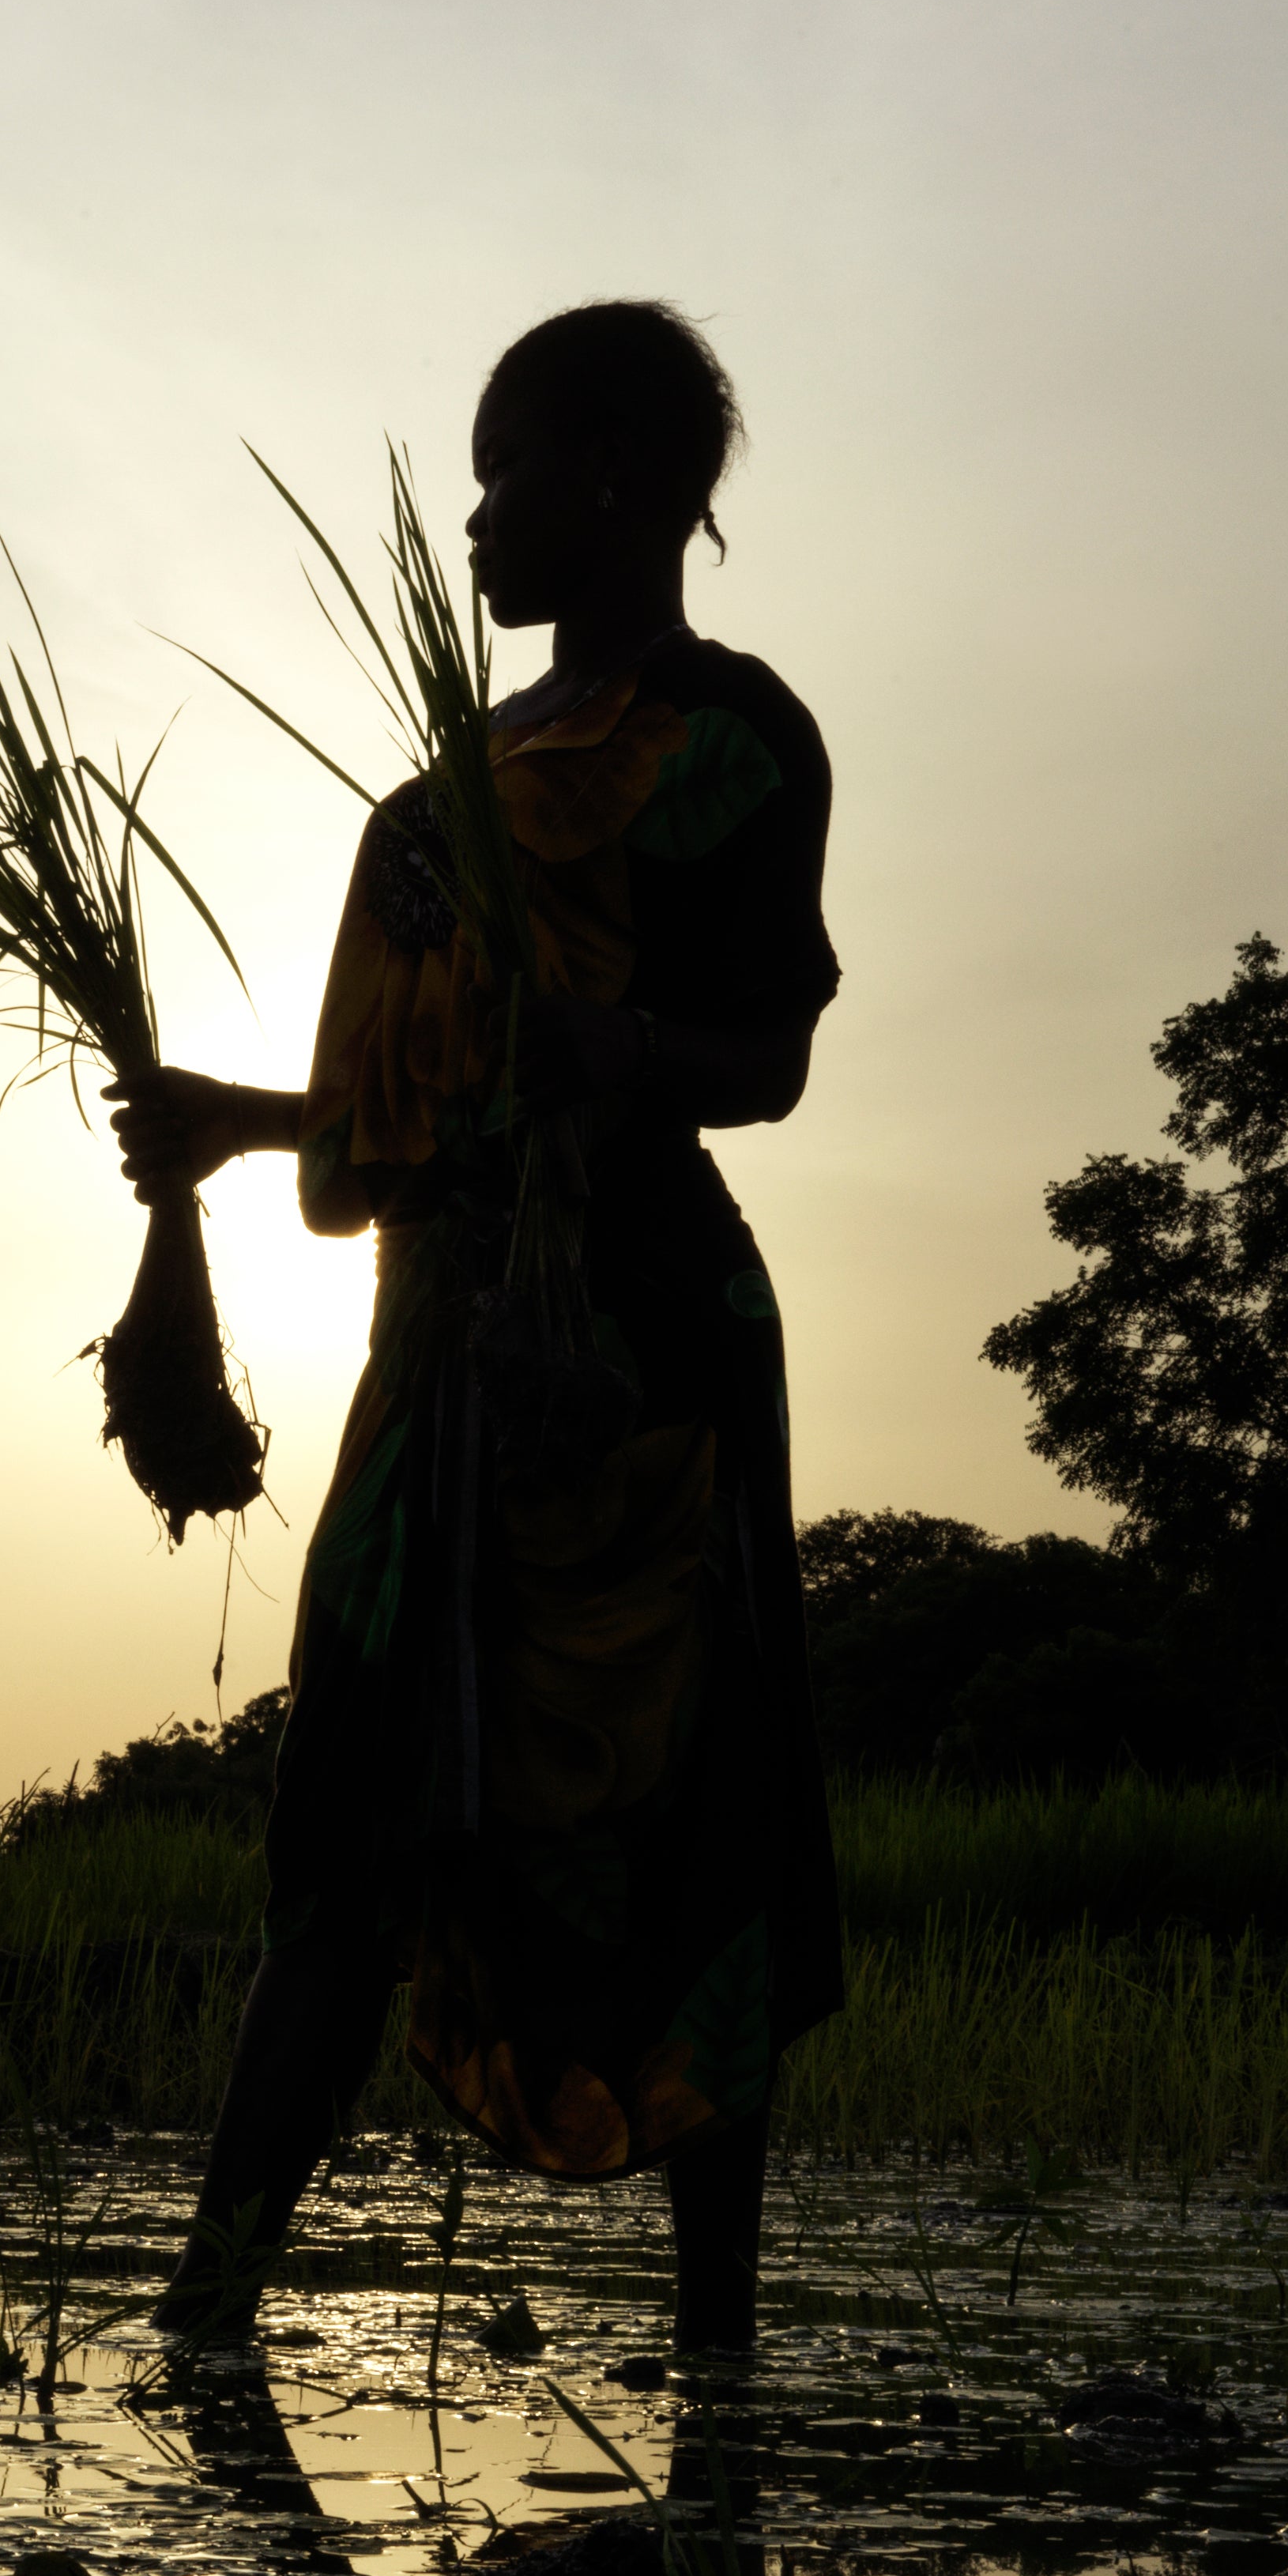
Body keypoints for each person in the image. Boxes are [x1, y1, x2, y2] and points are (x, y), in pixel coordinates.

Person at [114, 299, 844, 2359]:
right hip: (437, 1367)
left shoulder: (733, 744)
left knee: (673, 1826)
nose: (476, 519)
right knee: (347, 1826)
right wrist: (232, 1129)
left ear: (615, 478)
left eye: (507, 468)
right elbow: (380, 1153)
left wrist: (613, 1048)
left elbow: (766, 1050)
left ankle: (721, 2353)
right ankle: (211, 2306)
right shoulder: (429, 813)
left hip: (641, 1361)